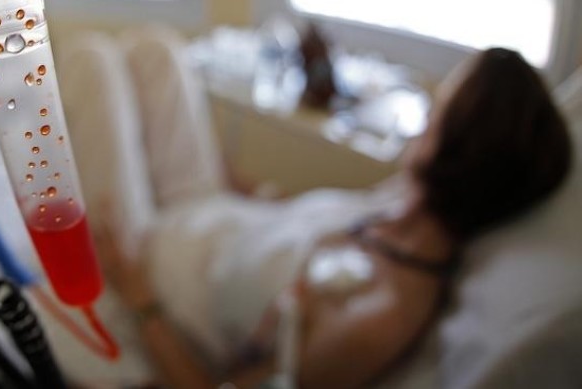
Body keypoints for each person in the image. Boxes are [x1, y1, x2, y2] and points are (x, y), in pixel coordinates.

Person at [93, 46, 572, 389]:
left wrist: (139, 295)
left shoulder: (383, 314)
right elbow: (304, 225)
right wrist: (246, 186)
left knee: (93, 64)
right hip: (212, 213)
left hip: (151, 279)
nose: (427, 108)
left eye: (442, 106)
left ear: (462, 148)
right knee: (157, 50)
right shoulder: (404, 199)